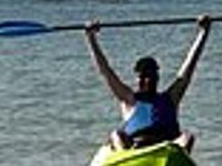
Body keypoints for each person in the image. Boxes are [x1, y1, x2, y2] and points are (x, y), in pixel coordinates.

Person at [88, 16, 211, 150]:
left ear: (157, 77)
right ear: (137, 78)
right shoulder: (129, 98)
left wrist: (203, 32)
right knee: (116, 134)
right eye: (142, 76)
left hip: (166, 148)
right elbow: (105, 70)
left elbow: (189, 67)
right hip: (136, 147)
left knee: (187, 137)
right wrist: (91, 38)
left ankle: (177, 163)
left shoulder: (170, 98)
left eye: (150, 76)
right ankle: (127, 159)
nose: (146, 80)